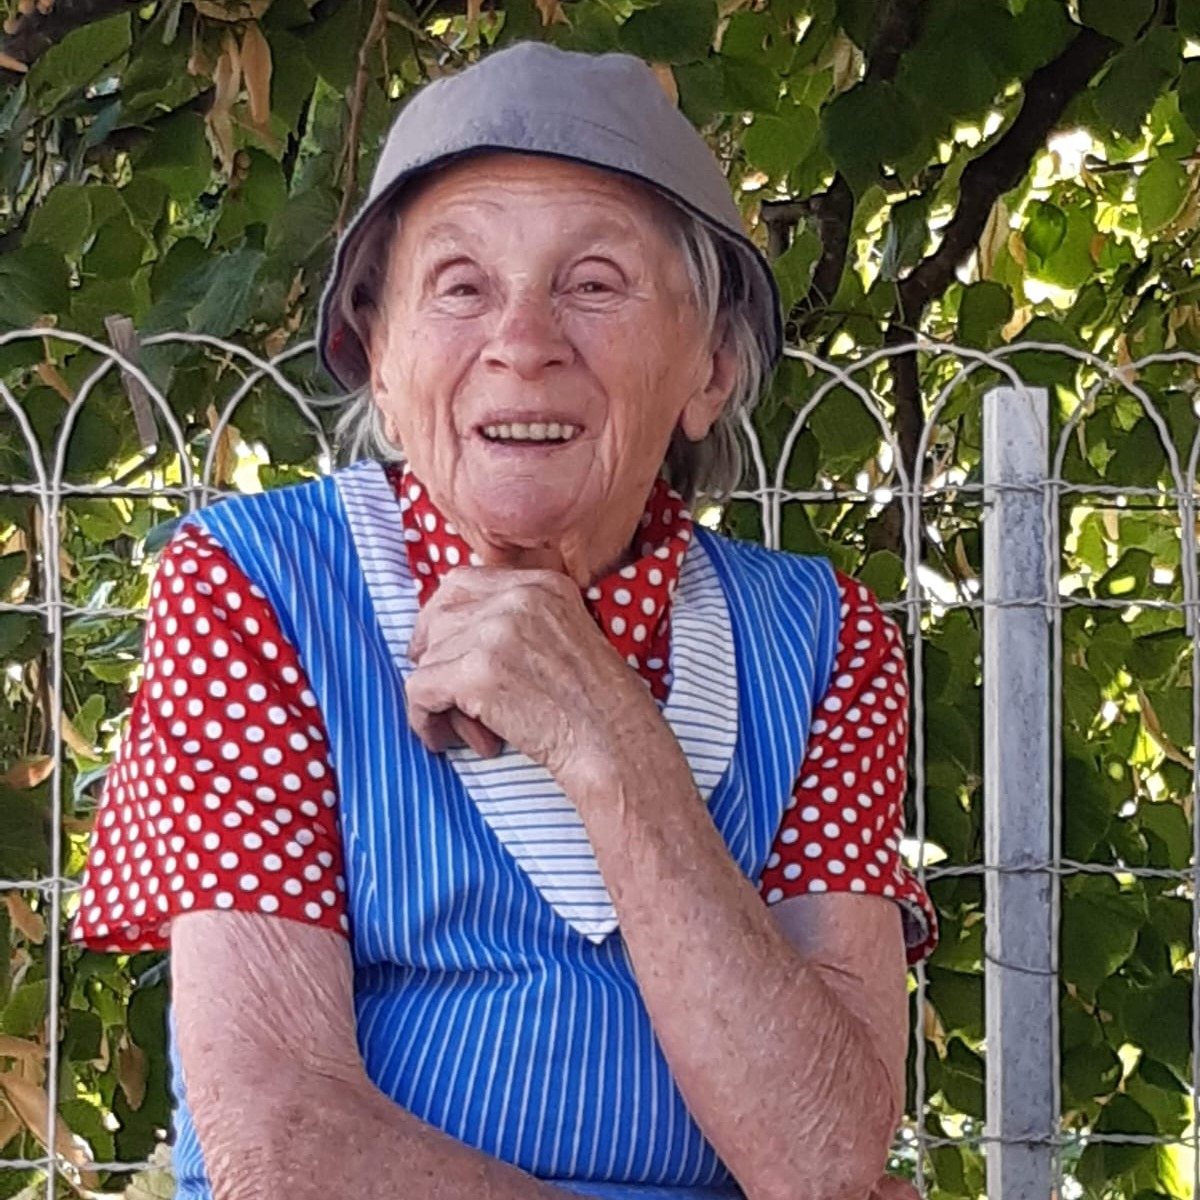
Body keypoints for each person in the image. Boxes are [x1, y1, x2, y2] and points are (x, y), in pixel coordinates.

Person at [73, 41, 936, 1200]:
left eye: (595, 283)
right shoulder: (258, 589)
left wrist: (607, 733)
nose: (523, 344)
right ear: (380, 360)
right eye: (461, 285)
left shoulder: (823, 641)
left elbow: (823, 1154)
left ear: (712, 367)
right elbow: (283, 1146)